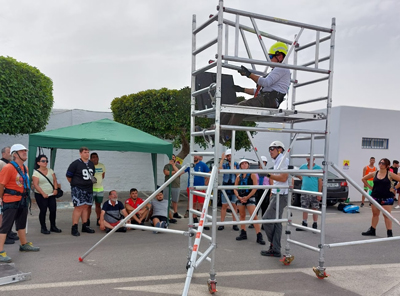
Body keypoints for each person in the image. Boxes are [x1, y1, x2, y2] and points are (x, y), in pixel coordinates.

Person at [219, 42, 291, 143]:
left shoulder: (281, 68)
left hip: (269, 100)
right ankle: (216, 131)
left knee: (241, 108)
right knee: (230, 108)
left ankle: (225, 135)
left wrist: (249, 74)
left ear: (279, 56)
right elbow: (259, 91)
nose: (270, 60)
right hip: (267, 99)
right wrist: (242, 89)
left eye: (271, 56)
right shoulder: (278, 71)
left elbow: (265, 82)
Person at [0, 144, 40, 263]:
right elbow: (1, 184)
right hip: (10, 200)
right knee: (5, 226)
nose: (25, 153)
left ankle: (23, 244)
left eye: (25, 151)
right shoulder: (8, 168)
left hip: (22, 199)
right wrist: (1, 198)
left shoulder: (25, 168)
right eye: (22, 151)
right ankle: (0, 251)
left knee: (21, 223)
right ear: (15, 154)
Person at [261, 140, 289, 258]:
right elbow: (278, 179)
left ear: (280, 149)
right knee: (277, 223)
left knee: (266, 219)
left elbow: (283, 178)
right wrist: (272, 190)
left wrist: (267, 175)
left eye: (273, 148)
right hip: (277, 193)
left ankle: (273, 245)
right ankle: (275, 248)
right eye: (270, 149)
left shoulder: (283, 160)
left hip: (281, 195)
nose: (270, 151)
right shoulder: (277, 161)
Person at [362, 158, 400, 237]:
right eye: (380, 162)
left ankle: (389, 233)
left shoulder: (390, 174)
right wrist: (370, 187)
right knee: (375, 214)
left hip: (387, 197)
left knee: (387, 215)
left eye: (383, 163)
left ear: (387, 165)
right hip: (375, 197)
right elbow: (363, 178)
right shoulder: (375, 173)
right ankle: (372, 230)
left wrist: (394, 188)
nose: (381, 164)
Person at [233, 159, 265, 245]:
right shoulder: (238, 177)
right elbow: (235, 188)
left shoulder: (252, 175)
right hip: (241, 198)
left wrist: (247, 197)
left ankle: (259, 235)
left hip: (250, 197)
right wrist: (239, 197)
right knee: (242, 215)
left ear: (248, 165)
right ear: (240, 166)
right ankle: (243, 232)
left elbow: (255, 188)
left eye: (245, 164)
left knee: (254, 216)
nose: (244, 165)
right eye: (242, 164)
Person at [66, 147, 96, 236]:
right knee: (78, 207)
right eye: (85, 152)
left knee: (86, 206)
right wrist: (75, 184)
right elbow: (68, 176)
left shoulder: (91, 164)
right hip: (78, 188)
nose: (87, 154)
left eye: (88, 152)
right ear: (80, 153)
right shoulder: (75, 164)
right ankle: (74, 227)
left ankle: (85, 225)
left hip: (89, 188)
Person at [32, 154, 62, 234]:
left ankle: (53, 226)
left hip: (51, 194)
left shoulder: (50, 170)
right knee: (43, 210)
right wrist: (43, 193)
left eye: (46, 161)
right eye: (43, 161)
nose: (45, 162)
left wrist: (55, 189)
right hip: (40, 195)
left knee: (53, 210)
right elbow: (36, 185)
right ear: (38, 163)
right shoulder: (36, 173)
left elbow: (54, 180)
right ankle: (43, 227)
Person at [295, 158, 322, 231]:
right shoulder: (303, 167)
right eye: (308, 158)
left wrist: (319, 193)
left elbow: (320, 181)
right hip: (305, 191)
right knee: (304, 208)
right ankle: (304, 223)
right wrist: (302, 178)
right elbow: (297, 174)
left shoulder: (318, 168)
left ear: (314, 159)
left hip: (314, 192)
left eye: (310, 158)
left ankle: (315, 224)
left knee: (315, 208)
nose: (309, 159)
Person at [184, 155, 210, 229]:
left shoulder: (202, 164)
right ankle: (195, 220)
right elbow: (181, 172)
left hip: (200, 187)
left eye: (196, 156)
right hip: (191, 188)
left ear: (198, 157)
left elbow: (209, 173)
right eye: (193, 156)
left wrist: (206, 182)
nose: (195, 157)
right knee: (193, 204)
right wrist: (173, 166)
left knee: (202, 205)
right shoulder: (190, 165)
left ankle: (204, 221)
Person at [0, 146, 19, 245]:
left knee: (10, 215)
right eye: (8, 152)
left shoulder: (10, 164)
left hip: (10, 193)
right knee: (4, 216)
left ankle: (9, 232)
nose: (10, 154)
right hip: (4, 193)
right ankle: (4, 235)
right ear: (3, 154)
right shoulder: (1, 163)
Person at [218, 149, 239, 231]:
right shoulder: (225, 165)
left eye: (231, 155)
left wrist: (235, 170)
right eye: (228, 156)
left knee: (234, 205)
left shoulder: (236, 164)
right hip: (226, 186)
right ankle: (222, 223)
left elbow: (239, 175)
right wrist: (222, 160)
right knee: (224, 205)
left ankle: (234, 224)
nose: (230, 157)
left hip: (233, 186)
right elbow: (220, 170)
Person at [88, 152, 106, 226]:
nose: (95, 158)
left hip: (99, 189)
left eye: (96, 157)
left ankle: (98, 219)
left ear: (98, 158)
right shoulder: (88, 166)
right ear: (91, 159)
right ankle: (87, 220)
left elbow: (103, 176)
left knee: (98, 205)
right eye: (93, 157)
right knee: (89, 206)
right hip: (90, 189)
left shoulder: (102, 166)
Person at [163, 154, 182, 219]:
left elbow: (179, 173)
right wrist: (175, 172)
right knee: (166, 200)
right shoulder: (166, 166)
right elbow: (166, 173)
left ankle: (175, 213)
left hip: (176, 185)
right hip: (167, 185)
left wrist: (173, 166)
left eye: (174, 157)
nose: (173, 159)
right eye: (172, 158)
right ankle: (166, 213)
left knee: (175, 200)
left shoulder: (178, 166)